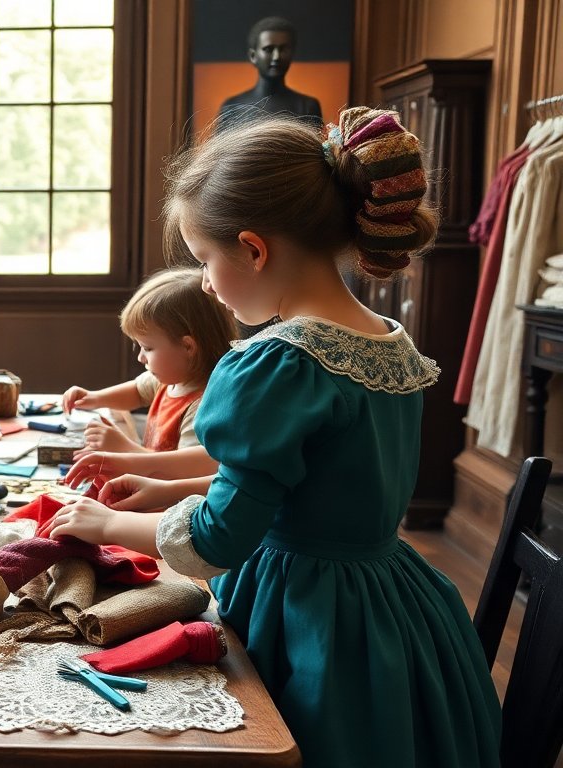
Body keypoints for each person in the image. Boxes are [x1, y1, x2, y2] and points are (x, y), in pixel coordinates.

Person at [49, 108, 501, 767]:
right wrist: (167, 479)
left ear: (255, 249)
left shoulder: (277, 361)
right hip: (393, 606)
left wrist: (107, 524)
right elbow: (313, 481)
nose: (204, 281)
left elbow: (219, 537)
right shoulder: (388, 343)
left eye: (205, 259)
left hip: (313, 620)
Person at [62, 267, 236, 461]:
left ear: (188, 346)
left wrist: (124, 447)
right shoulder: (172, 378)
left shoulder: (202, 408)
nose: (140, 357)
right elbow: (137, 391)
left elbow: (179, 470)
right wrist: (93, 398)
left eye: (148, 348)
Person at [215, 16, 322, 134]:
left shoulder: (307, 107)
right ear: (253, 56)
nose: (276, 57)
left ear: (292, 54)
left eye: (283, 49)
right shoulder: (232, 107)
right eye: (268, 49)